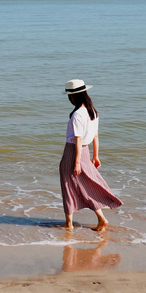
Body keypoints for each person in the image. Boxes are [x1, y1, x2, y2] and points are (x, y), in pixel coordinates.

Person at [59, 79, 123, 231]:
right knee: (85, 186)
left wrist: (75, 163)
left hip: (73, 152)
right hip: (85, 152)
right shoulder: (92, 111)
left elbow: (78, 139)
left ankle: (68, 224)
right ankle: (101, 219)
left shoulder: (77, 115)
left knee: (68, 185)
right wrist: (95, 156)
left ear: (73, 97)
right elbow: (95, 136)